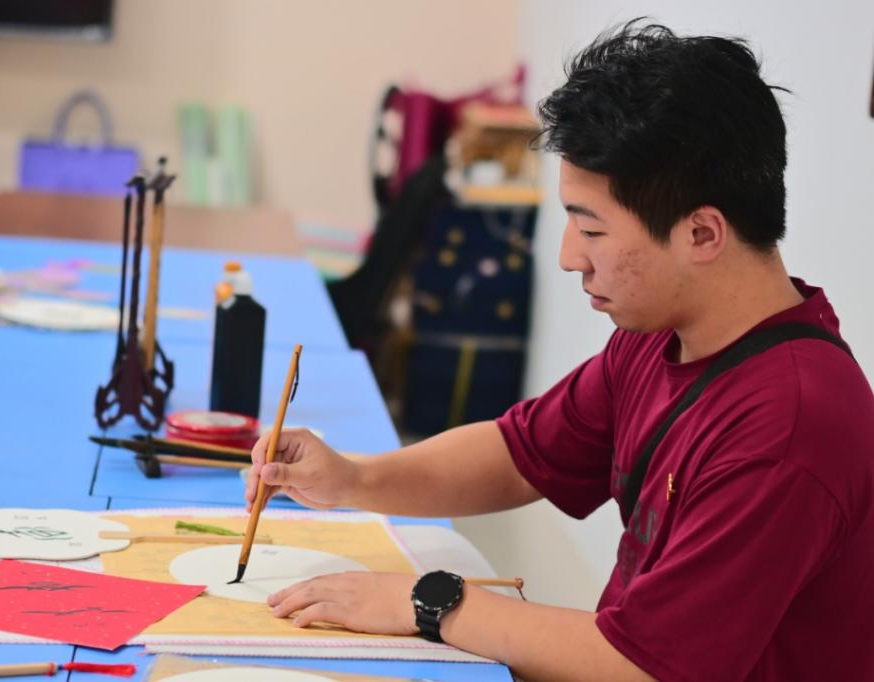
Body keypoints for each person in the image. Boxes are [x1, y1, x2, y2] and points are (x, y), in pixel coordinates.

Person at [244, 20, 874, 681]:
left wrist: (430, 603)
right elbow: (521, 455)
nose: (571, 258)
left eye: (593, 231)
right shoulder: (664, 333)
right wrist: (353, 479)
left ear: (701, 233)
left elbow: (646, 666)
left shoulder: (787, 427)